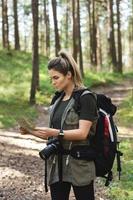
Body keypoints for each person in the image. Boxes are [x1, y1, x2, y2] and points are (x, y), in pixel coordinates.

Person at [20, 50, 98, 200]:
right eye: (51, 79)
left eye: (56, 78)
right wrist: (30, 131)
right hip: (57, 165)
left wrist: (55, 132)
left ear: (68, 75)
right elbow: (52, 135)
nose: (53, 82)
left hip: (79, 164)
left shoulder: (86, 98)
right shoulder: (56, 100)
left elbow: (82, 133)